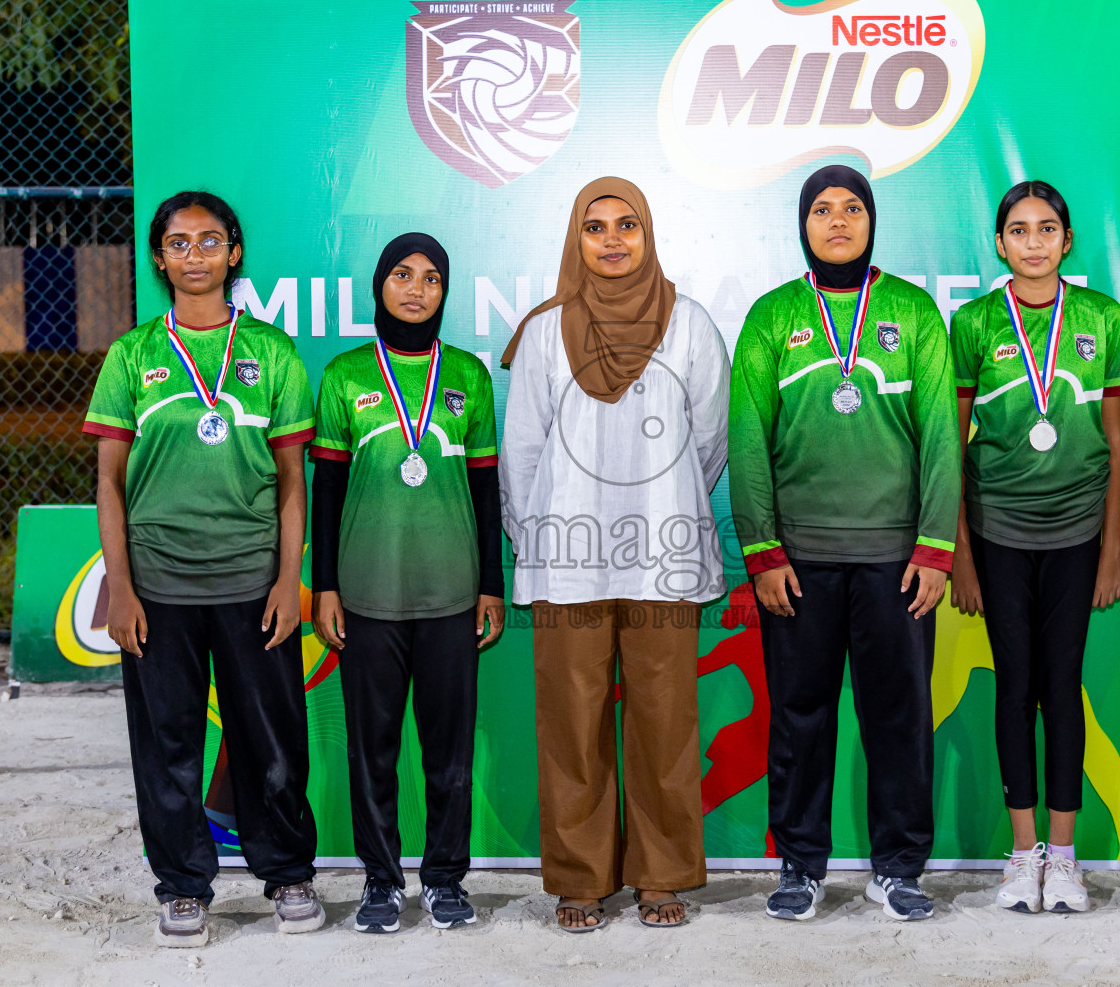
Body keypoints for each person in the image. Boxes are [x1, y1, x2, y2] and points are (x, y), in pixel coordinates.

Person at [83, 191, 322, 947]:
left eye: (209, 241)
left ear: (235, 251)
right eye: (178, 243)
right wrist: (121, 588)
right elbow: (108, 482)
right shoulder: (134, 356)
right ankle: (183, 885)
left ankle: (286, 872)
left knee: (272, 738)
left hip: (254, 584)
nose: (194, 255)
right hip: (158, 587)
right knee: (169, 741)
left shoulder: (273, 353)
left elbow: (292, 482)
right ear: (159, 258)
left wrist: (289, 580)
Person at [728, 164, 961, 922]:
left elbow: (941, 440)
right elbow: (746, 445)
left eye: (851, 208)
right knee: (801, 715)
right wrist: (762, 553)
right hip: (798, 564)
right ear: (803, 224)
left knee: (899, 715)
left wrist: (933, 549)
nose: (837, 221)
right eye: (822, 209)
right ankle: (800, 866)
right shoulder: (771, 318)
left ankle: (900, 868)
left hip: (896, 561)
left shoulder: (913, 312)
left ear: (871, 220)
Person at [500, 176, 730, 931]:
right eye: (594, 227)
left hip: (661, 556)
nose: (611, 240)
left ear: (648, 234)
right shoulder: (542, 333)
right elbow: (523, 451)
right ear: (576, 238)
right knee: (573, 727)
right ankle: (580, 879)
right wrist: (537, 539)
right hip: (569, 561)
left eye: (626, 225)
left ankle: (661, 876)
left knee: (665, 724)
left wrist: (664, 508)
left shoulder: (690, 325)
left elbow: (710, 443)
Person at [309, 233, 505, 934]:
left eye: (430, 278)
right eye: (402, 275)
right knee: (373, 750)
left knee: (449, 750)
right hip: (367, 597)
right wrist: (323, 587)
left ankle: (446, 879)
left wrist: (491, 585)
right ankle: (381, 882)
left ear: (445, 291)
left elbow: (487, 493)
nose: (416, 289)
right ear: (379, 286)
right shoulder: (345, 376)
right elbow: (325, 492)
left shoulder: (470, 378)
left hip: (451, 596)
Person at [948, 181, 1120, 915]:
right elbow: (952, 445)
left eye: (1047, 228)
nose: (1033, 242)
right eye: (1018, 230)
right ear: (1000, 244)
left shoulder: (1102, 318)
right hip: (998, 531)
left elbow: (1118, 440)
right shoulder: (972, 323)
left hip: (1080, 529)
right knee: (1015, 686)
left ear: (1067, 239)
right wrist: (960, 553)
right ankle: (1022, 857)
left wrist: (1112, 550)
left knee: (1063, 686)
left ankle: (1067, 856)